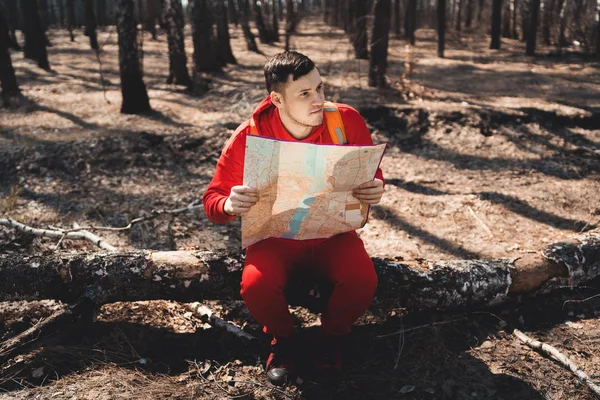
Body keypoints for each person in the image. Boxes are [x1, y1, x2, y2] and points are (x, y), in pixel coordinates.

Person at [202, 51, 385, 385]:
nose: (319, 100)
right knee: (255, 285)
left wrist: (375, 189)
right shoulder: (249, 136)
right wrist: (229, 205)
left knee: (362, 280)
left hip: (333, 235)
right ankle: (284, 341)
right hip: (275, 239)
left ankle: (330, 339)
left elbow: (372, 176)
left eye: (319, 88)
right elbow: (212, 200)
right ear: (277, 99)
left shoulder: (345, 122)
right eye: (304, 93)